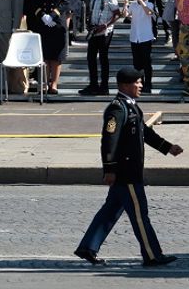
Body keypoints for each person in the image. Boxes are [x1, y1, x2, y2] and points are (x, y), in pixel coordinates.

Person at [75, 67, 183, 267]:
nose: (141, 85)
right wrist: (109, 169)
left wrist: (167, 147)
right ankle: (152, 255)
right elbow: (109, 141)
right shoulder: (117, 109)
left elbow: (145, 133)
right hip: (127, 174)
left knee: (110, 211)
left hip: (128, 172)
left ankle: (88, 246)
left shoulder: (131, 107)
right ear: (125, 85)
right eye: (137, 82)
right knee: (140, 215)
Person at [29, 0, 70, 94]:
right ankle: (45, 83)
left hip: (57, 23)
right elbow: (33, 1)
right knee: (45, 55)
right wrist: (42, 15)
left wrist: (52, 15)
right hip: (43, 23)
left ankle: (54, 84)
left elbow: (66, 2)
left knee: (57, 56)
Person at [80, 0, 120, 96]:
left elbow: (117, 14)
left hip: (105, 32)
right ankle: (93, 84)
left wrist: (106, 25)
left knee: (103, 58)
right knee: (91, 57)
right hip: (94, 31)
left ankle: (104, 86)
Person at [125, 0, 156, 93]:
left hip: (145, 37)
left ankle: (148, 84)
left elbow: (149, 12)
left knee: (146, 62)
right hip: (134, 37)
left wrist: (139, 0)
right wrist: (126, 3)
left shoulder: (149, 4)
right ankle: (140, 84)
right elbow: (126, 15)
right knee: (137, 63)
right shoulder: (133, 5)